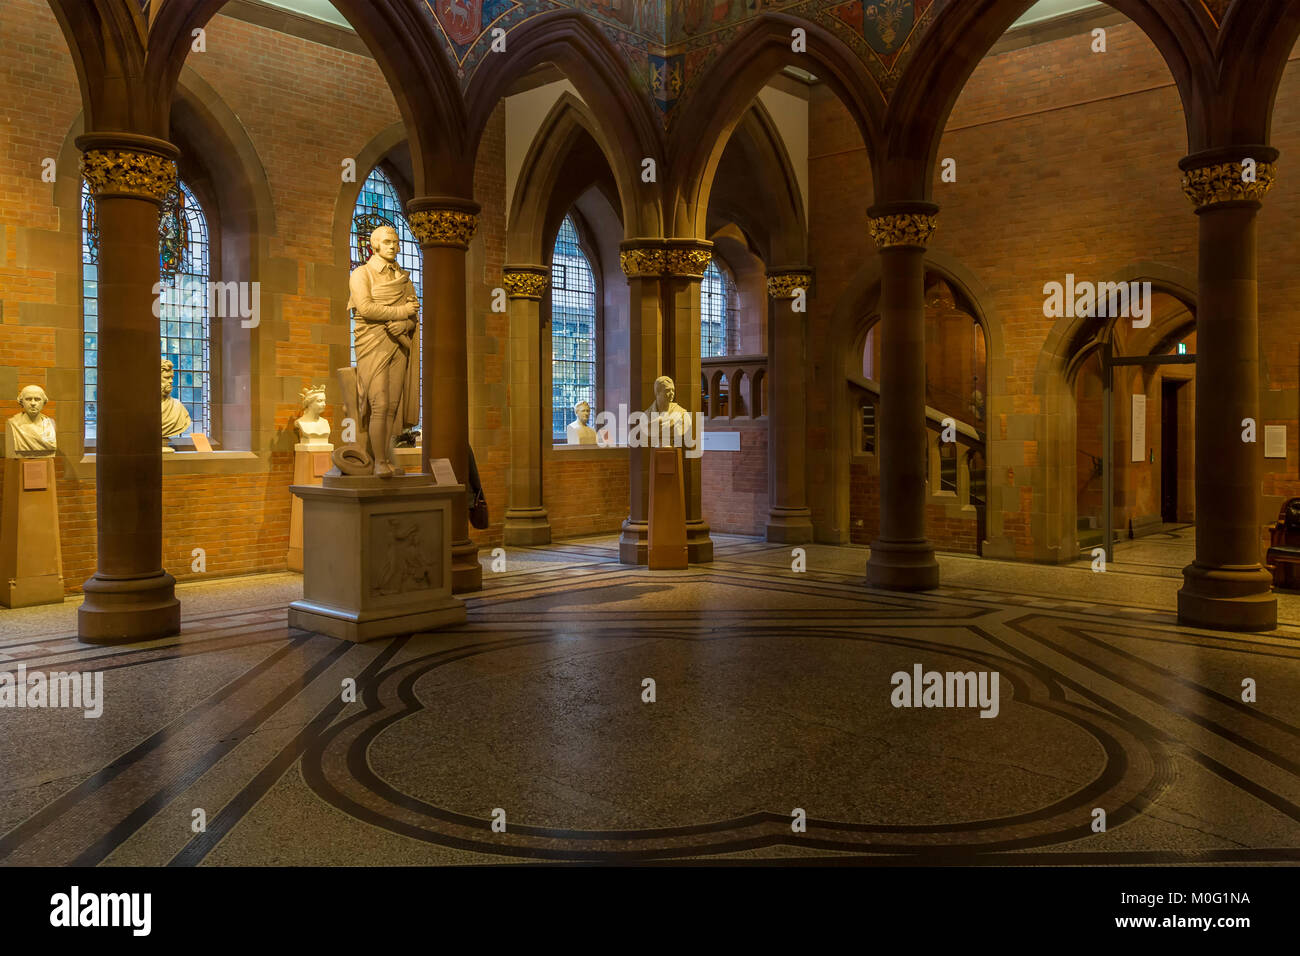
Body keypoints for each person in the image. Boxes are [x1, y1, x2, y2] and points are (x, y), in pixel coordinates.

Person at [348, 224, 419, 477]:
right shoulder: (361, 274)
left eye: (396, 242)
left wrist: (404, 324)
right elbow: (366, 308)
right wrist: (401, 313)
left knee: (392, 406)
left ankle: (385, 459)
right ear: (374, 245)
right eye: (387, 242)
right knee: (379, 402)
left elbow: (414, 313)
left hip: (398, 342)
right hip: (373, 343)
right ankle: (378, 462)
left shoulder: (403, 277)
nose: (393, 246)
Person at [7, 385, 57, 456]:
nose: (33, 403)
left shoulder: (49, 424)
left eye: (37, 399)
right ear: (21, 401)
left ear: (44, 402)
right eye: (28, 399)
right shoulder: (13, 424)